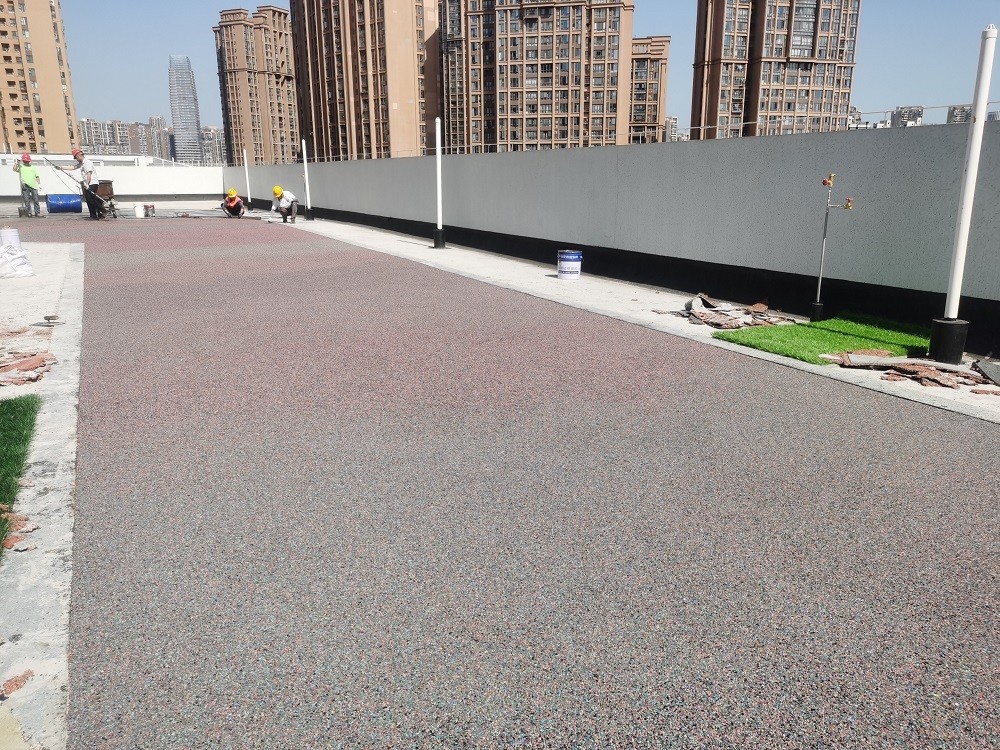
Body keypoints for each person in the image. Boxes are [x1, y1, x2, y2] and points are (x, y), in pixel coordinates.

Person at [60, 148, 102, 219]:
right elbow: (73, 167)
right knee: (89, 199)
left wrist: (87, 184)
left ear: (79, 156)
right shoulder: (82, 164)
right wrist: (61, 168)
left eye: (76, 158)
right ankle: (94, 215)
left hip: (92, 183)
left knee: (90, 199)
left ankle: (101, 211)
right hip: (88, 183)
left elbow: (89, 174)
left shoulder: (87, 162)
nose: (76, 159)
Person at [13, 152, 41, 217]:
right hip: (25, 186)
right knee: (26, 200)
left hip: (33, 186)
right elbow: (14, 169)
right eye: (25, 161)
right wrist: (16, 163)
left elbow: (37, 176)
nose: (26, 162)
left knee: (36, 200)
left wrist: (39, 184)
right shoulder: (21, 166)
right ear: (23, 161)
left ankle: (37, 212)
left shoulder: (33, 167)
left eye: (27, 161)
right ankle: (29, 212)